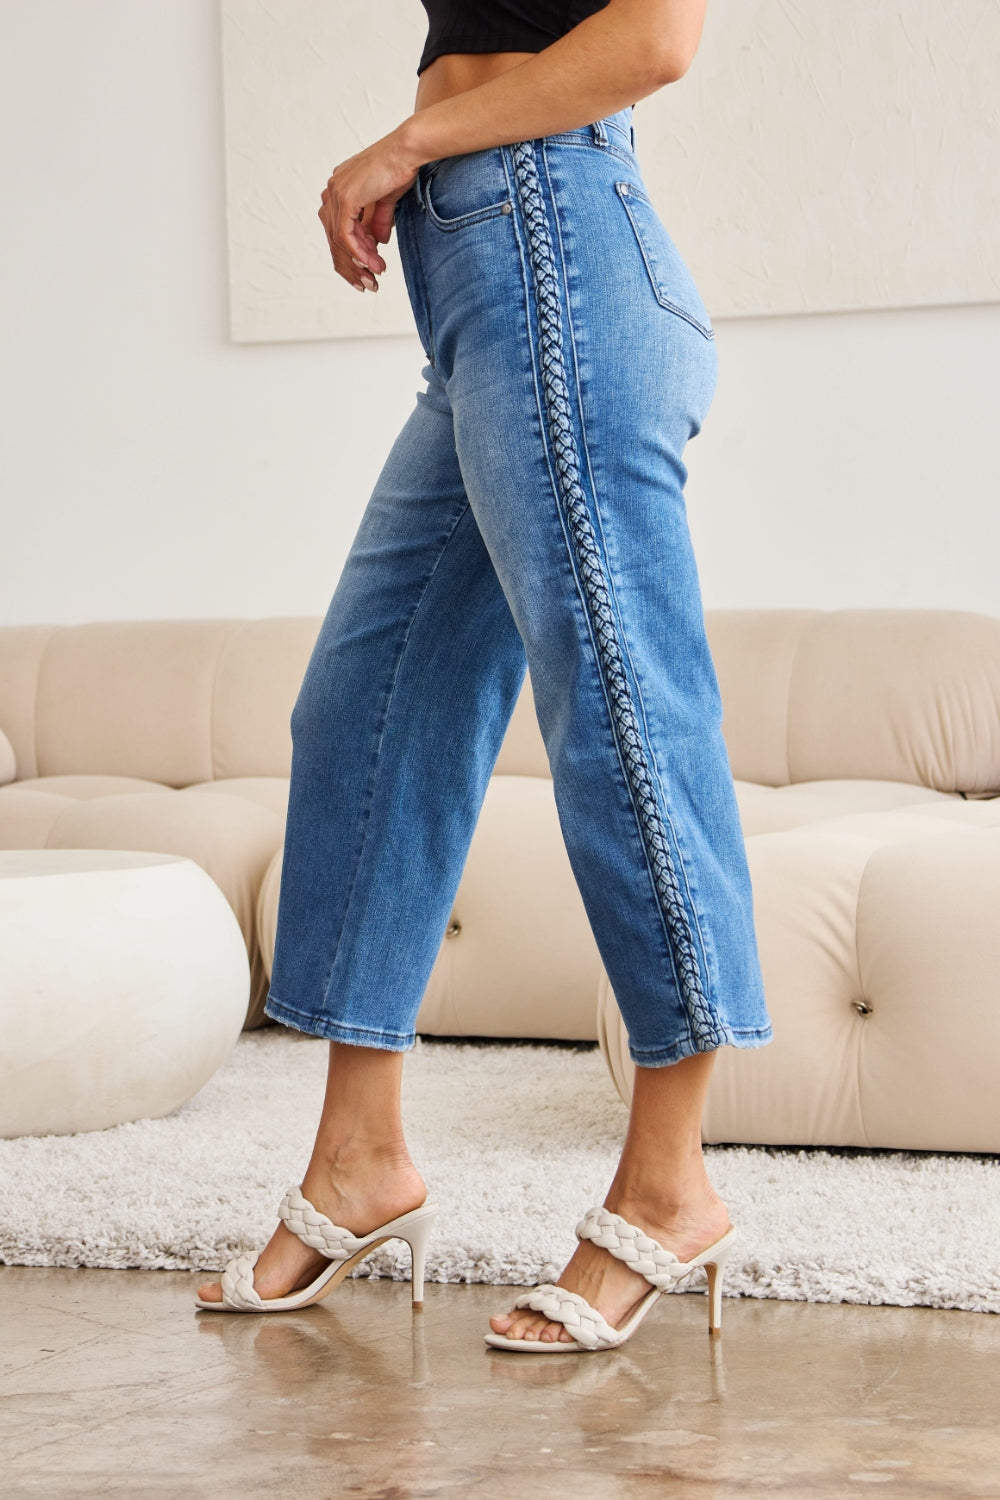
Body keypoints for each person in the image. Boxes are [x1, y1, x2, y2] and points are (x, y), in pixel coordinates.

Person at [196, 0, 773, 1351]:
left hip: (556, 250)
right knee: (369, 704)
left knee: (622, 713)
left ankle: (671, 1180)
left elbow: (655, 35)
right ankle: (359, 1158)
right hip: (488, 288)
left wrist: (409, 140)